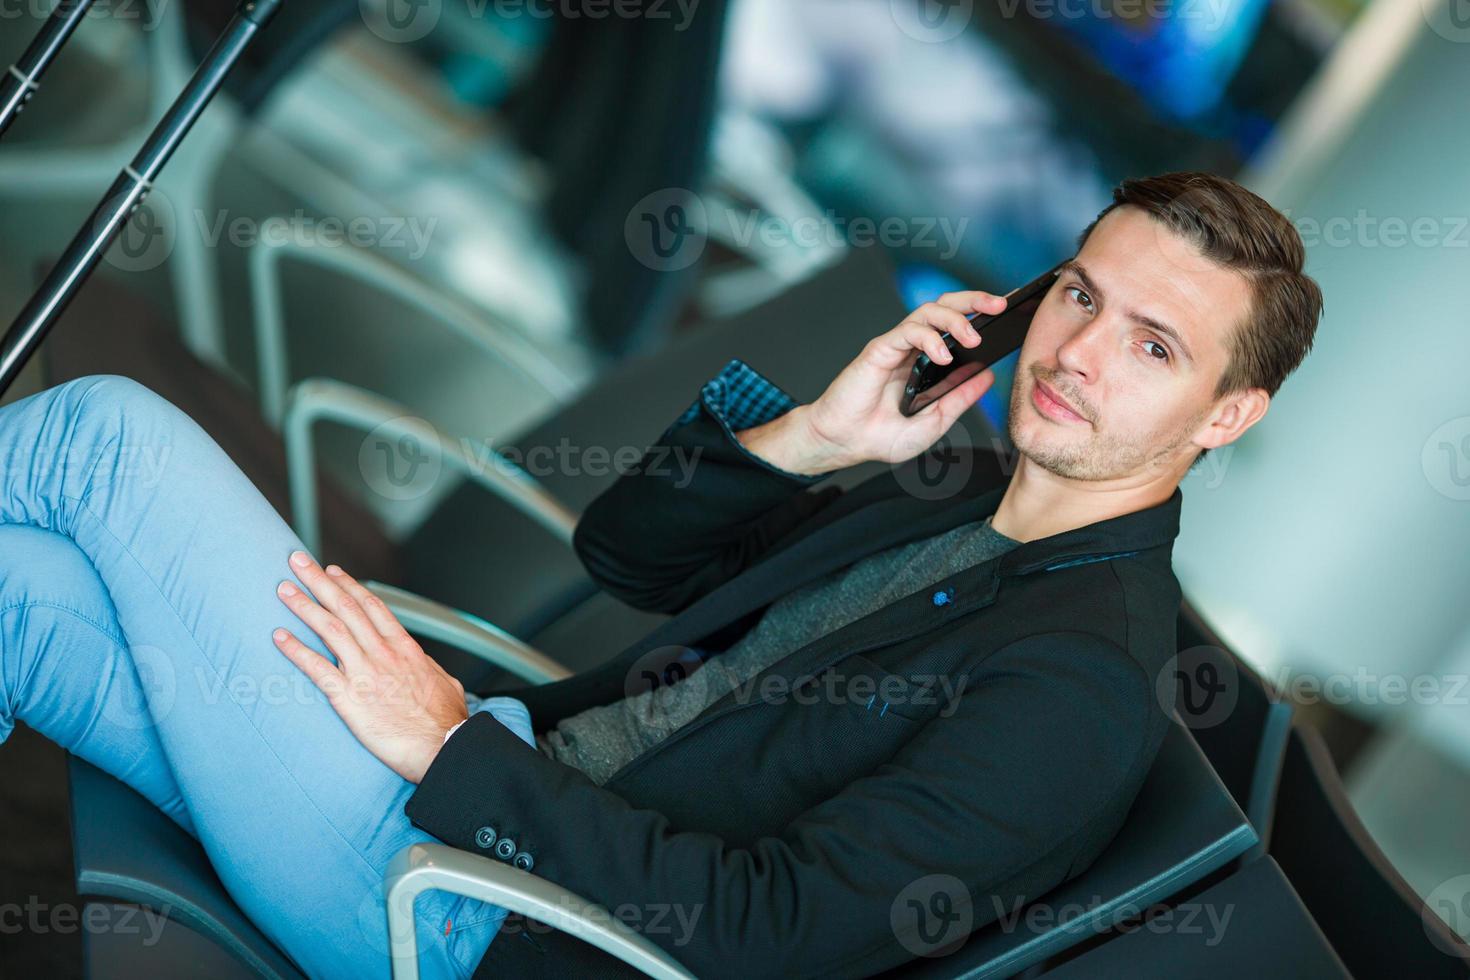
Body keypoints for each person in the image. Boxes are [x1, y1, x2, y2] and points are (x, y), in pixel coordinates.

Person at [0, 172, 1320, 978]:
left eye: (1153, 347)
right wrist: (816, 437)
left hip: (476, 911)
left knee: (105, 437)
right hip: (479, 779)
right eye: (1080, 296)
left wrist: (454, 751)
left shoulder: (1079, 679)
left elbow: (768, 938)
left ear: (1225, 417)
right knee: (18, 592)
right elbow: (623, 555)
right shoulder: (965, 495)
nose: (1078, 354)